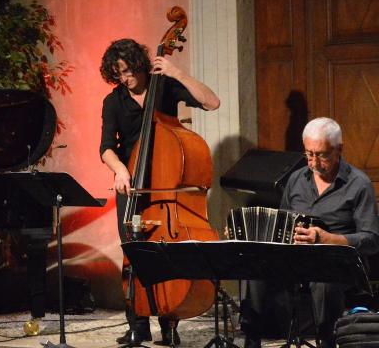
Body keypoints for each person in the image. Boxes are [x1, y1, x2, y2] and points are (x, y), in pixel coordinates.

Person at [98, 38, 220, 346]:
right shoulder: (113, 101)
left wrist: (178, 73)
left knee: (168, 255)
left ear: (140, 64)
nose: (125, 79)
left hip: (167, 189)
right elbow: (106, 149)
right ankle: (137, 325)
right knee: (135, 255)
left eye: (127, 71)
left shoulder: (163, 86)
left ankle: (169, 323)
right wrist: (120, 169)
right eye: (118, 74)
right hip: (133, 187)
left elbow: (212, 102)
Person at [241, 117, 379, 348]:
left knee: (324, 280)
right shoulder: (296, 180)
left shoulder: (358, 184)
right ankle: (251, 339)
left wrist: (326, 239)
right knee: (254, 266)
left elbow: (372, 240)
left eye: (321, 155)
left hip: (340, 261)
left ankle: (327, 341)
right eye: (309, 154)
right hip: (297, 258)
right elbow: (281, 223)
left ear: (338, 150)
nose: (314, 162)